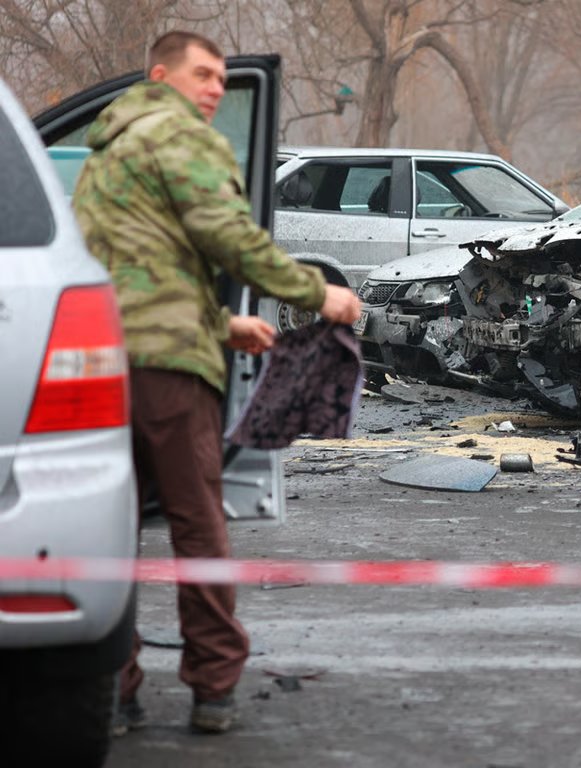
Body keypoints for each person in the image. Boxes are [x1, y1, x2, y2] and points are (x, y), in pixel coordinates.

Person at [71, 30, 361, 735]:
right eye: (202, 73)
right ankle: (213, 686)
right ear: (161, 74)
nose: (213, 89)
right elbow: (226, 232)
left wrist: (224, 325)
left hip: (100, 364)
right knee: (198, 524)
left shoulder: (104, 154)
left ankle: (114, 687)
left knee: (109, 535)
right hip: (171, 370)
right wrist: (317, 294)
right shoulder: (184, 136)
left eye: (221, 79)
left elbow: (133, 262)